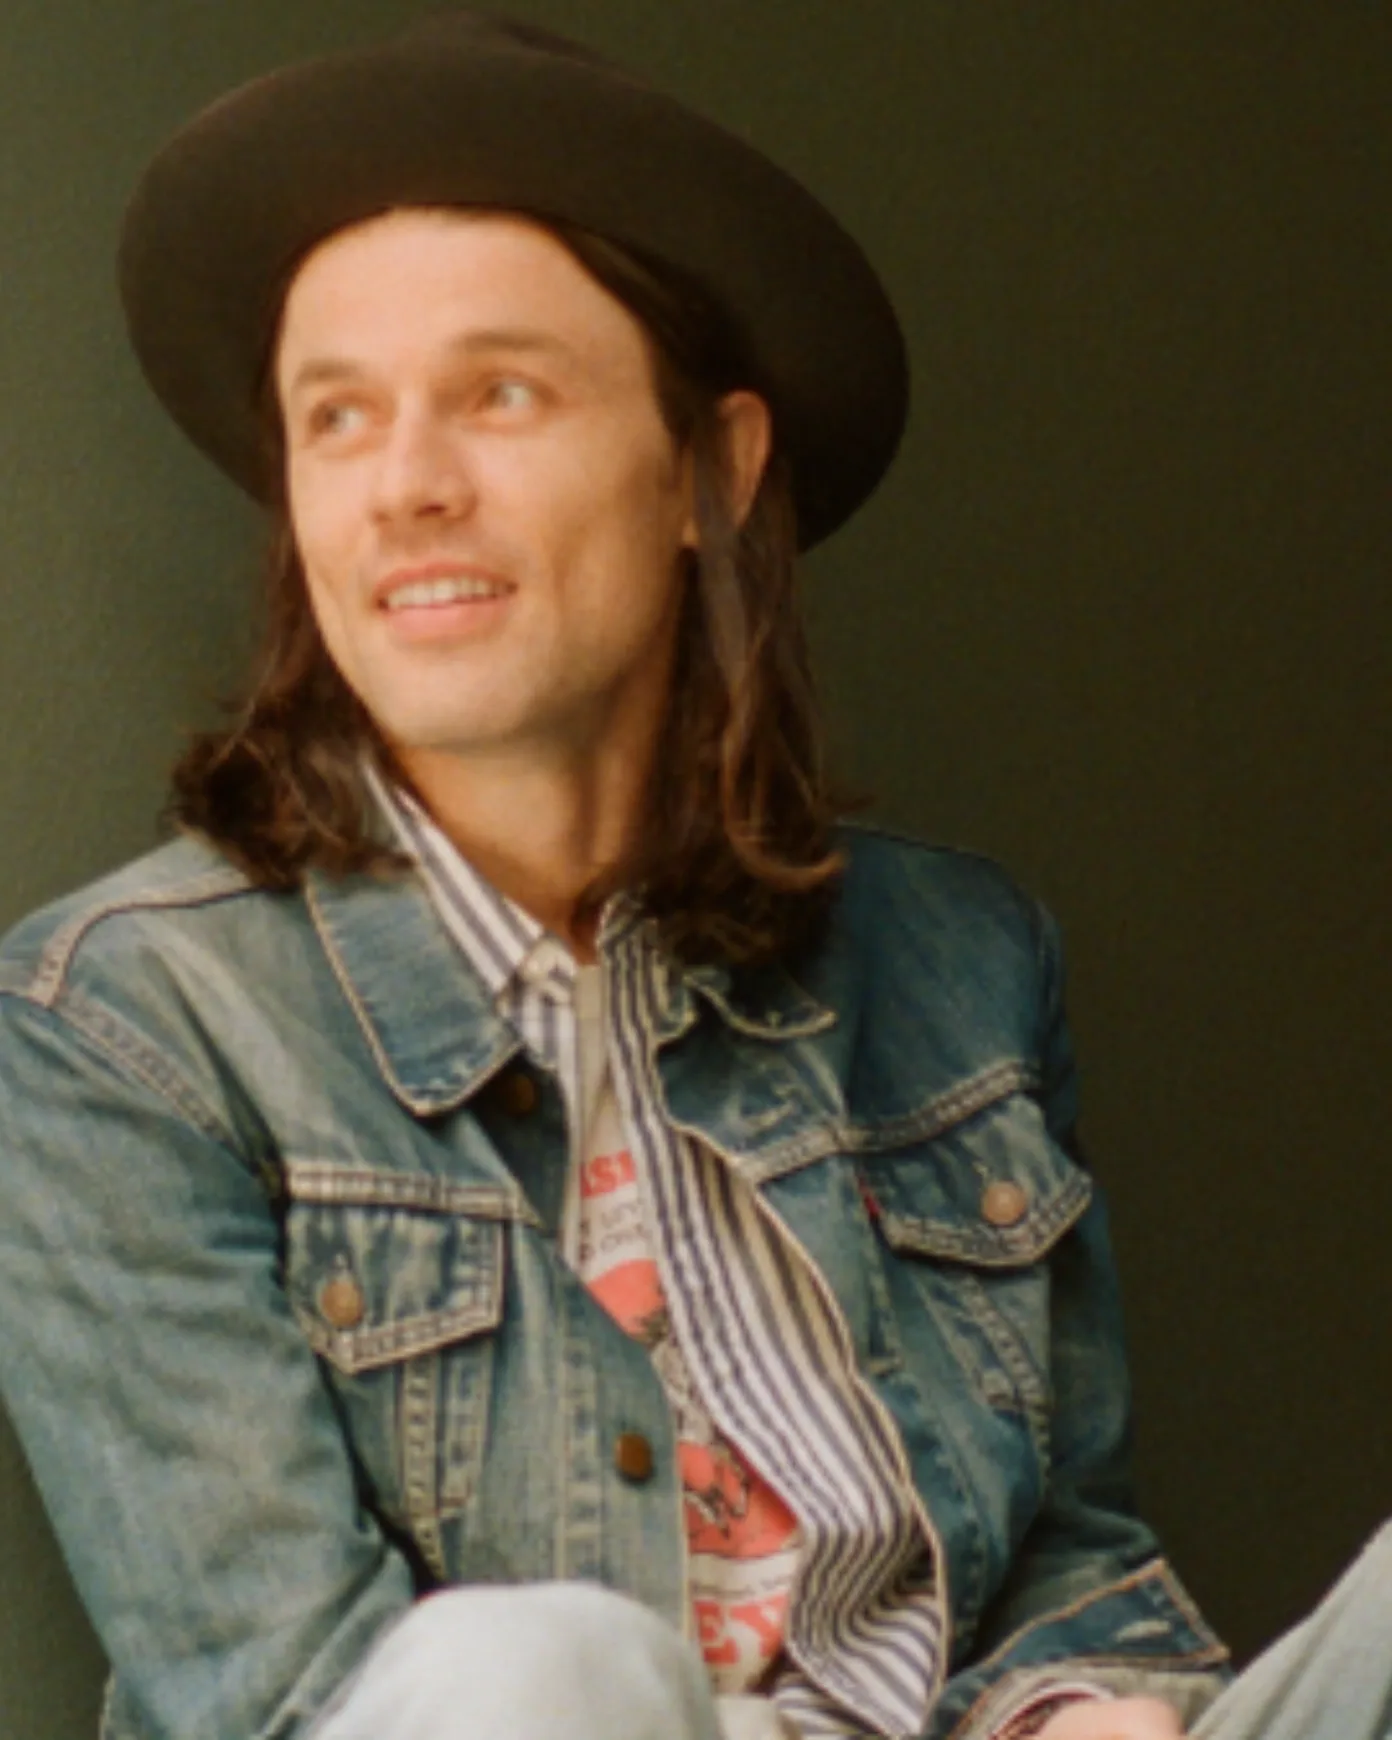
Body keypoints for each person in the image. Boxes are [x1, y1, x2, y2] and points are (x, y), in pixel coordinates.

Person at [0, 13, 1387, 1740]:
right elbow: (286, 1694)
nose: (407, 486)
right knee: (533, 1667)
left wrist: (1081, 1704)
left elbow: (1063, 1556)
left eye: (500, 392)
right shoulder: (119, 1024)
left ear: (710, 472)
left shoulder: (961, 956)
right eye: (337, 418)